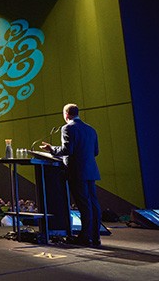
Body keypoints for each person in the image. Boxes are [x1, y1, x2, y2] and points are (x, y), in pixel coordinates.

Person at [41, 103, 101, 247]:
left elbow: (68, 150)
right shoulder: (91, 129)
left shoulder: (67, 127)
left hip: (77, 171)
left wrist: (52, 149)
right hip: (91, 171)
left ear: (66, 114)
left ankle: (85, 238)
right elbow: (96, 152)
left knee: (84, 204)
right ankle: (95, 236)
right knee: (93, 204)